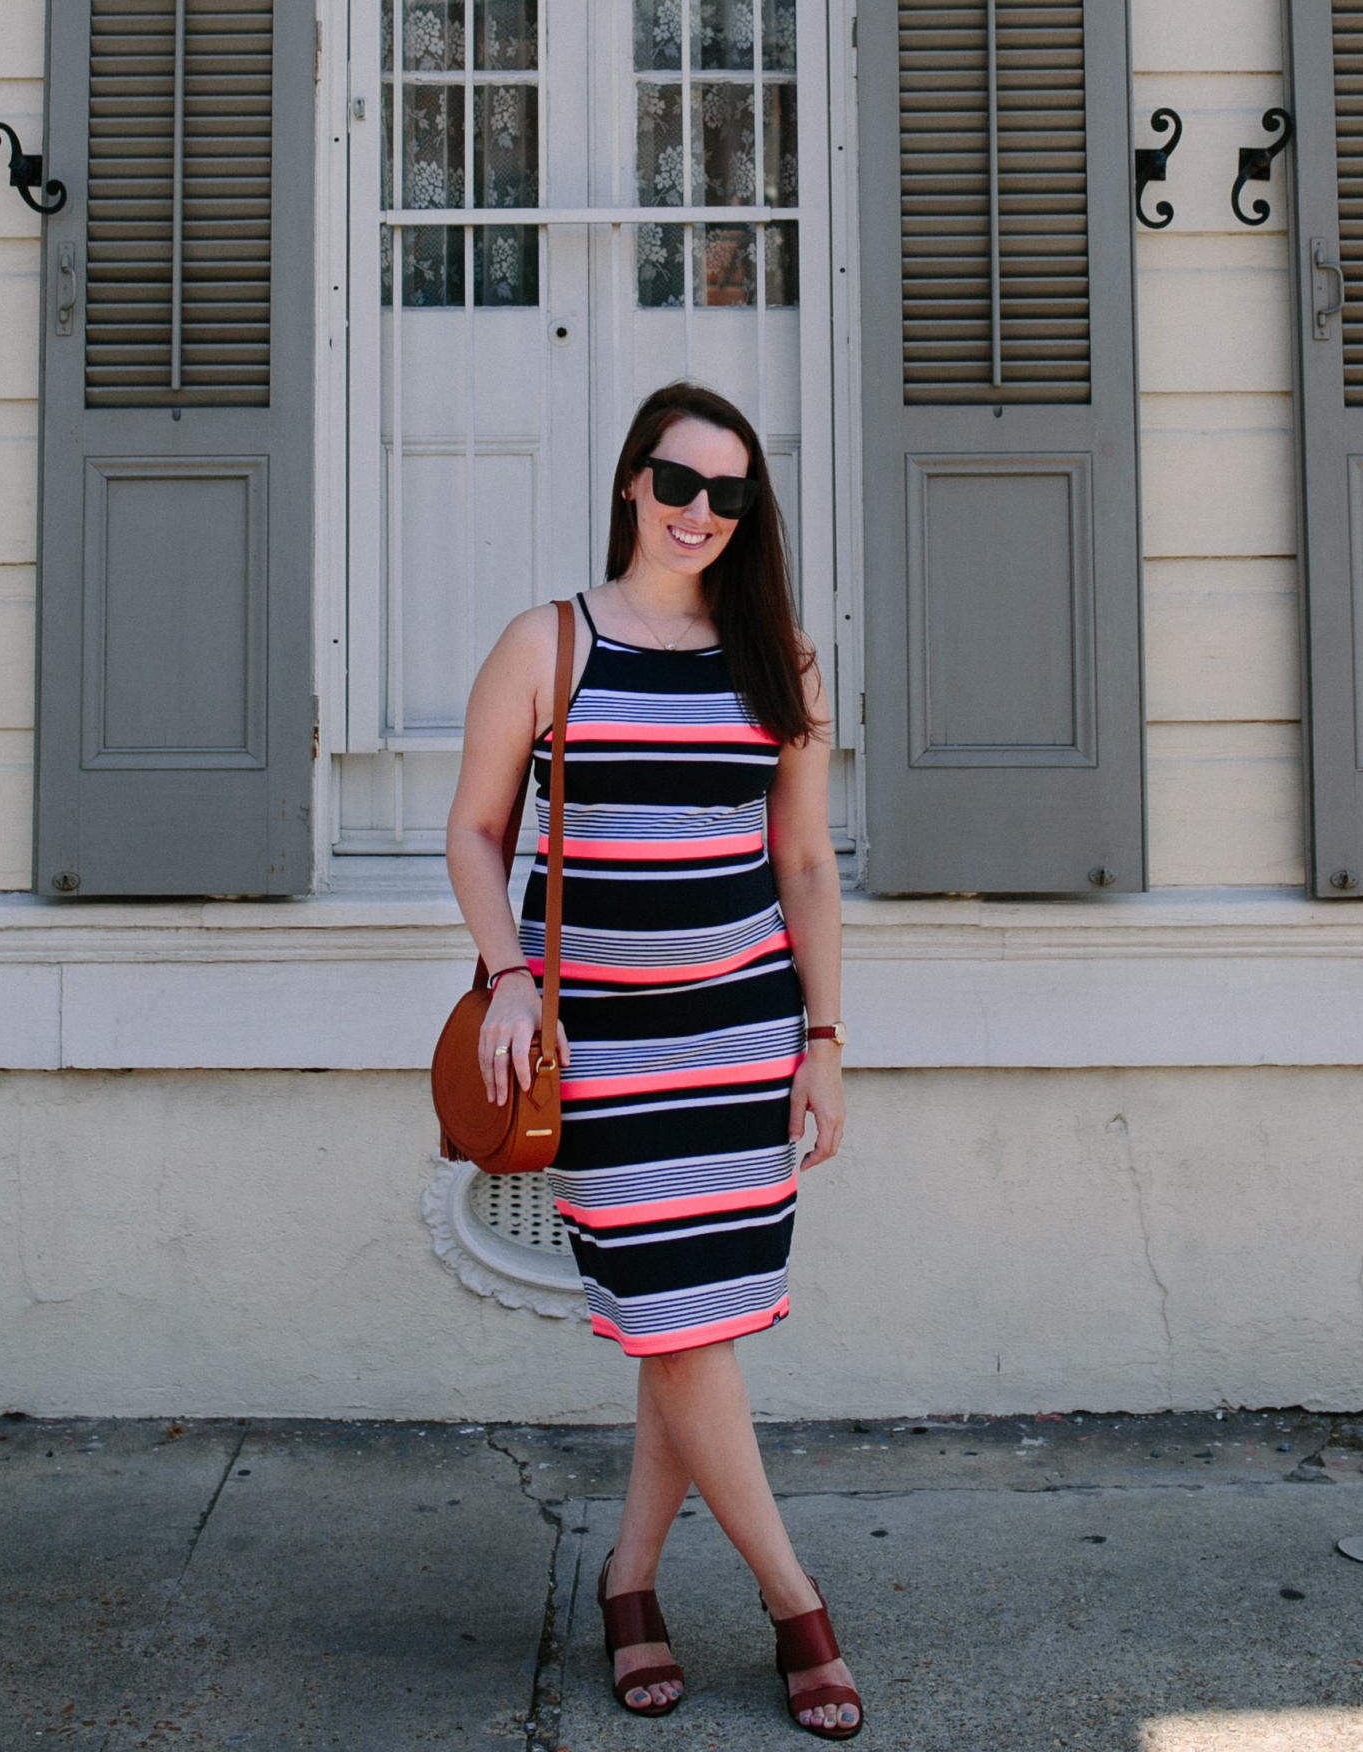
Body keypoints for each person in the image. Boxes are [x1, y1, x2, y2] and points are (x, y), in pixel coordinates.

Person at [445, 382, 861, 1735]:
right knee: (683, 1326)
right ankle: (798, 1604)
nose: (700, 515)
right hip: (601, 1048)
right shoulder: (548, 644)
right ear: (633, 482)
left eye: (730, 496)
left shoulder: (779, 659)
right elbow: (475, 833)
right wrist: (509, 976)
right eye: (679, 485)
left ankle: (631, 1585)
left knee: (689, 1331)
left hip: (740, 1038)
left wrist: (825, 1040)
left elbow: (802, 860)